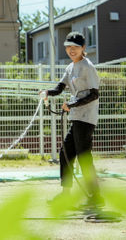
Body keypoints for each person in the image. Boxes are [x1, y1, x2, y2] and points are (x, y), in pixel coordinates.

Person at [41, 31, 104, 207]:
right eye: (68, 47)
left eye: (75, 47)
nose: (71, 50)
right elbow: (60, 87)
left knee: (84, 157)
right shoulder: (70, 67)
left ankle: (96, 196)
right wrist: (47, 93)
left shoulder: (88, 67)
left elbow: (94, 94)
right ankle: (66, 194)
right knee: (66, 154)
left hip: (86, 118)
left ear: (83, 48)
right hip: (76, 117)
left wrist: (72, 104)